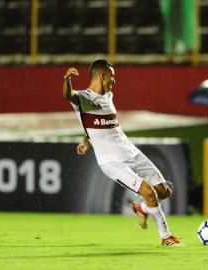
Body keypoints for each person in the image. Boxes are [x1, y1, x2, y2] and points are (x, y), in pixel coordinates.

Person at [62, 59, 182, 246]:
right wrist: (67, 80)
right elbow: (69, 95)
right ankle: (166, 237)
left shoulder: (108, 95)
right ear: (102, 76)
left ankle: (141, 208)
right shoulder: (84, 98)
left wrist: (86, 139)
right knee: (149, 192)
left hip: (130, 152)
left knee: (163, 191)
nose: (115, 80)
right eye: (112, 76)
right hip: (112, 162)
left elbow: (98, 123)